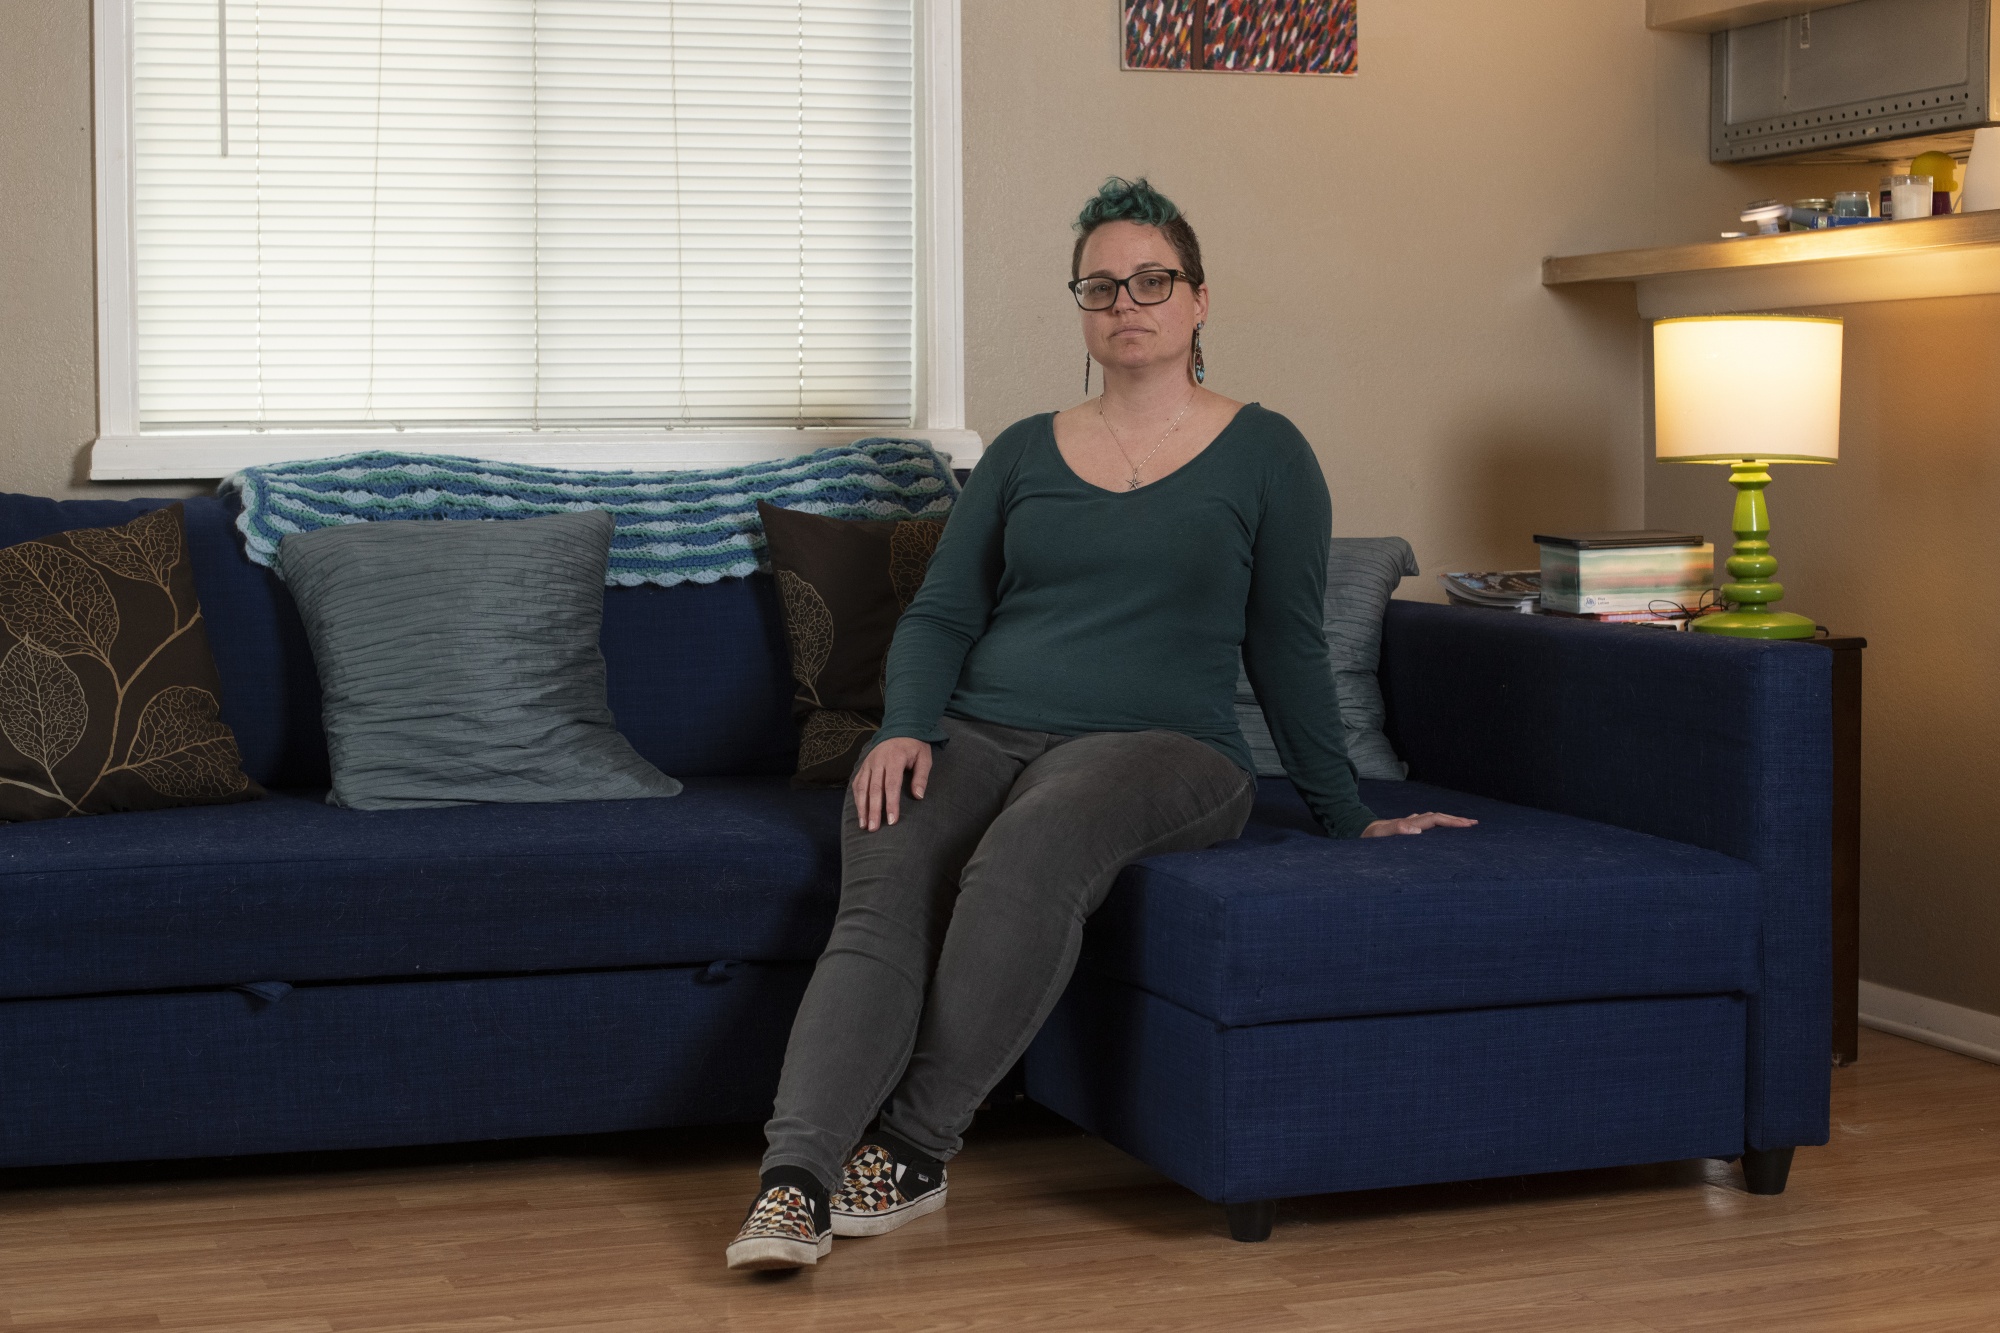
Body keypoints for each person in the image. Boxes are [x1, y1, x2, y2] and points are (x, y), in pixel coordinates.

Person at [726, 177, 1475, 1271]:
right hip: (980, 726)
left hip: (1166, 748)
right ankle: (792, 1181)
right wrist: (906, 725)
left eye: (1152, 280)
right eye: (1101, 285)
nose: (1126, 301)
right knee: (883, 875)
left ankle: (915, 1146)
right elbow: (944, 612)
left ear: (1199, 299)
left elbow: (1284, 648)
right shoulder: (1025, 450)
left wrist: (1346, 812)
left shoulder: (1268, 453)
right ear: (1080, 307)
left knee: (1030, 848)